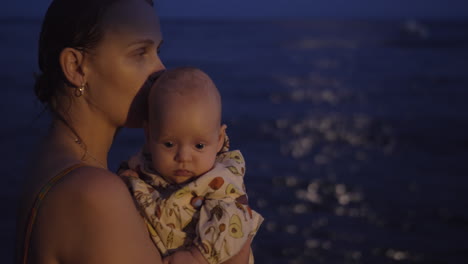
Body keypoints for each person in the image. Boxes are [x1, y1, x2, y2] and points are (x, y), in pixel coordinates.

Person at [14, 0, 252, 263]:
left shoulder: (46, 162)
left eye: (157, 51)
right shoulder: (94, 193)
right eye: (140, 53)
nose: (160, 70)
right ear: (77, 67)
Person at [118, 67, 263, 264]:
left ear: (219, 139)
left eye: (199, 146)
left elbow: (230, 225)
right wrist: (127, 180)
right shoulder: (144, 166)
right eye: (169, 144)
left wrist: (198, 256)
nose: (183, 157)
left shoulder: (220, 182)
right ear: (149, 135)